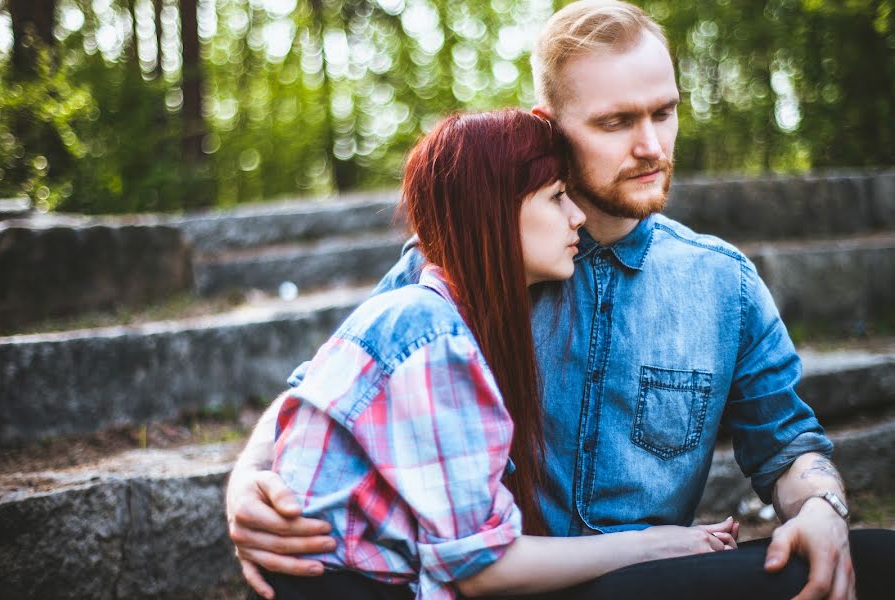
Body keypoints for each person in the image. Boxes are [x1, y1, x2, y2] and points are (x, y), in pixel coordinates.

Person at [227, 2, 895, 599]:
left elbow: (786, 446)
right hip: (498, 579)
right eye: (615, 122)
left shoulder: (724, 283)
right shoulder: (466, 271)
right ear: (549, 127)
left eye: (664, 113)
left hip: (647, 585)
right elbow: (326, 390)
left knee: (871, 559)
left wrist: (821, 508)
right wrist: (249, 479)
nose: (651, 147)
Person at [255, 109, 744, 599]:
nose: (577, 217)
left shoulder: (448, 322)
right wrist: (652, 544)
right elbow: (484, 568)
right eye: (557, 198)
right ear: (492, 211)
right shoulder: (427, 332)